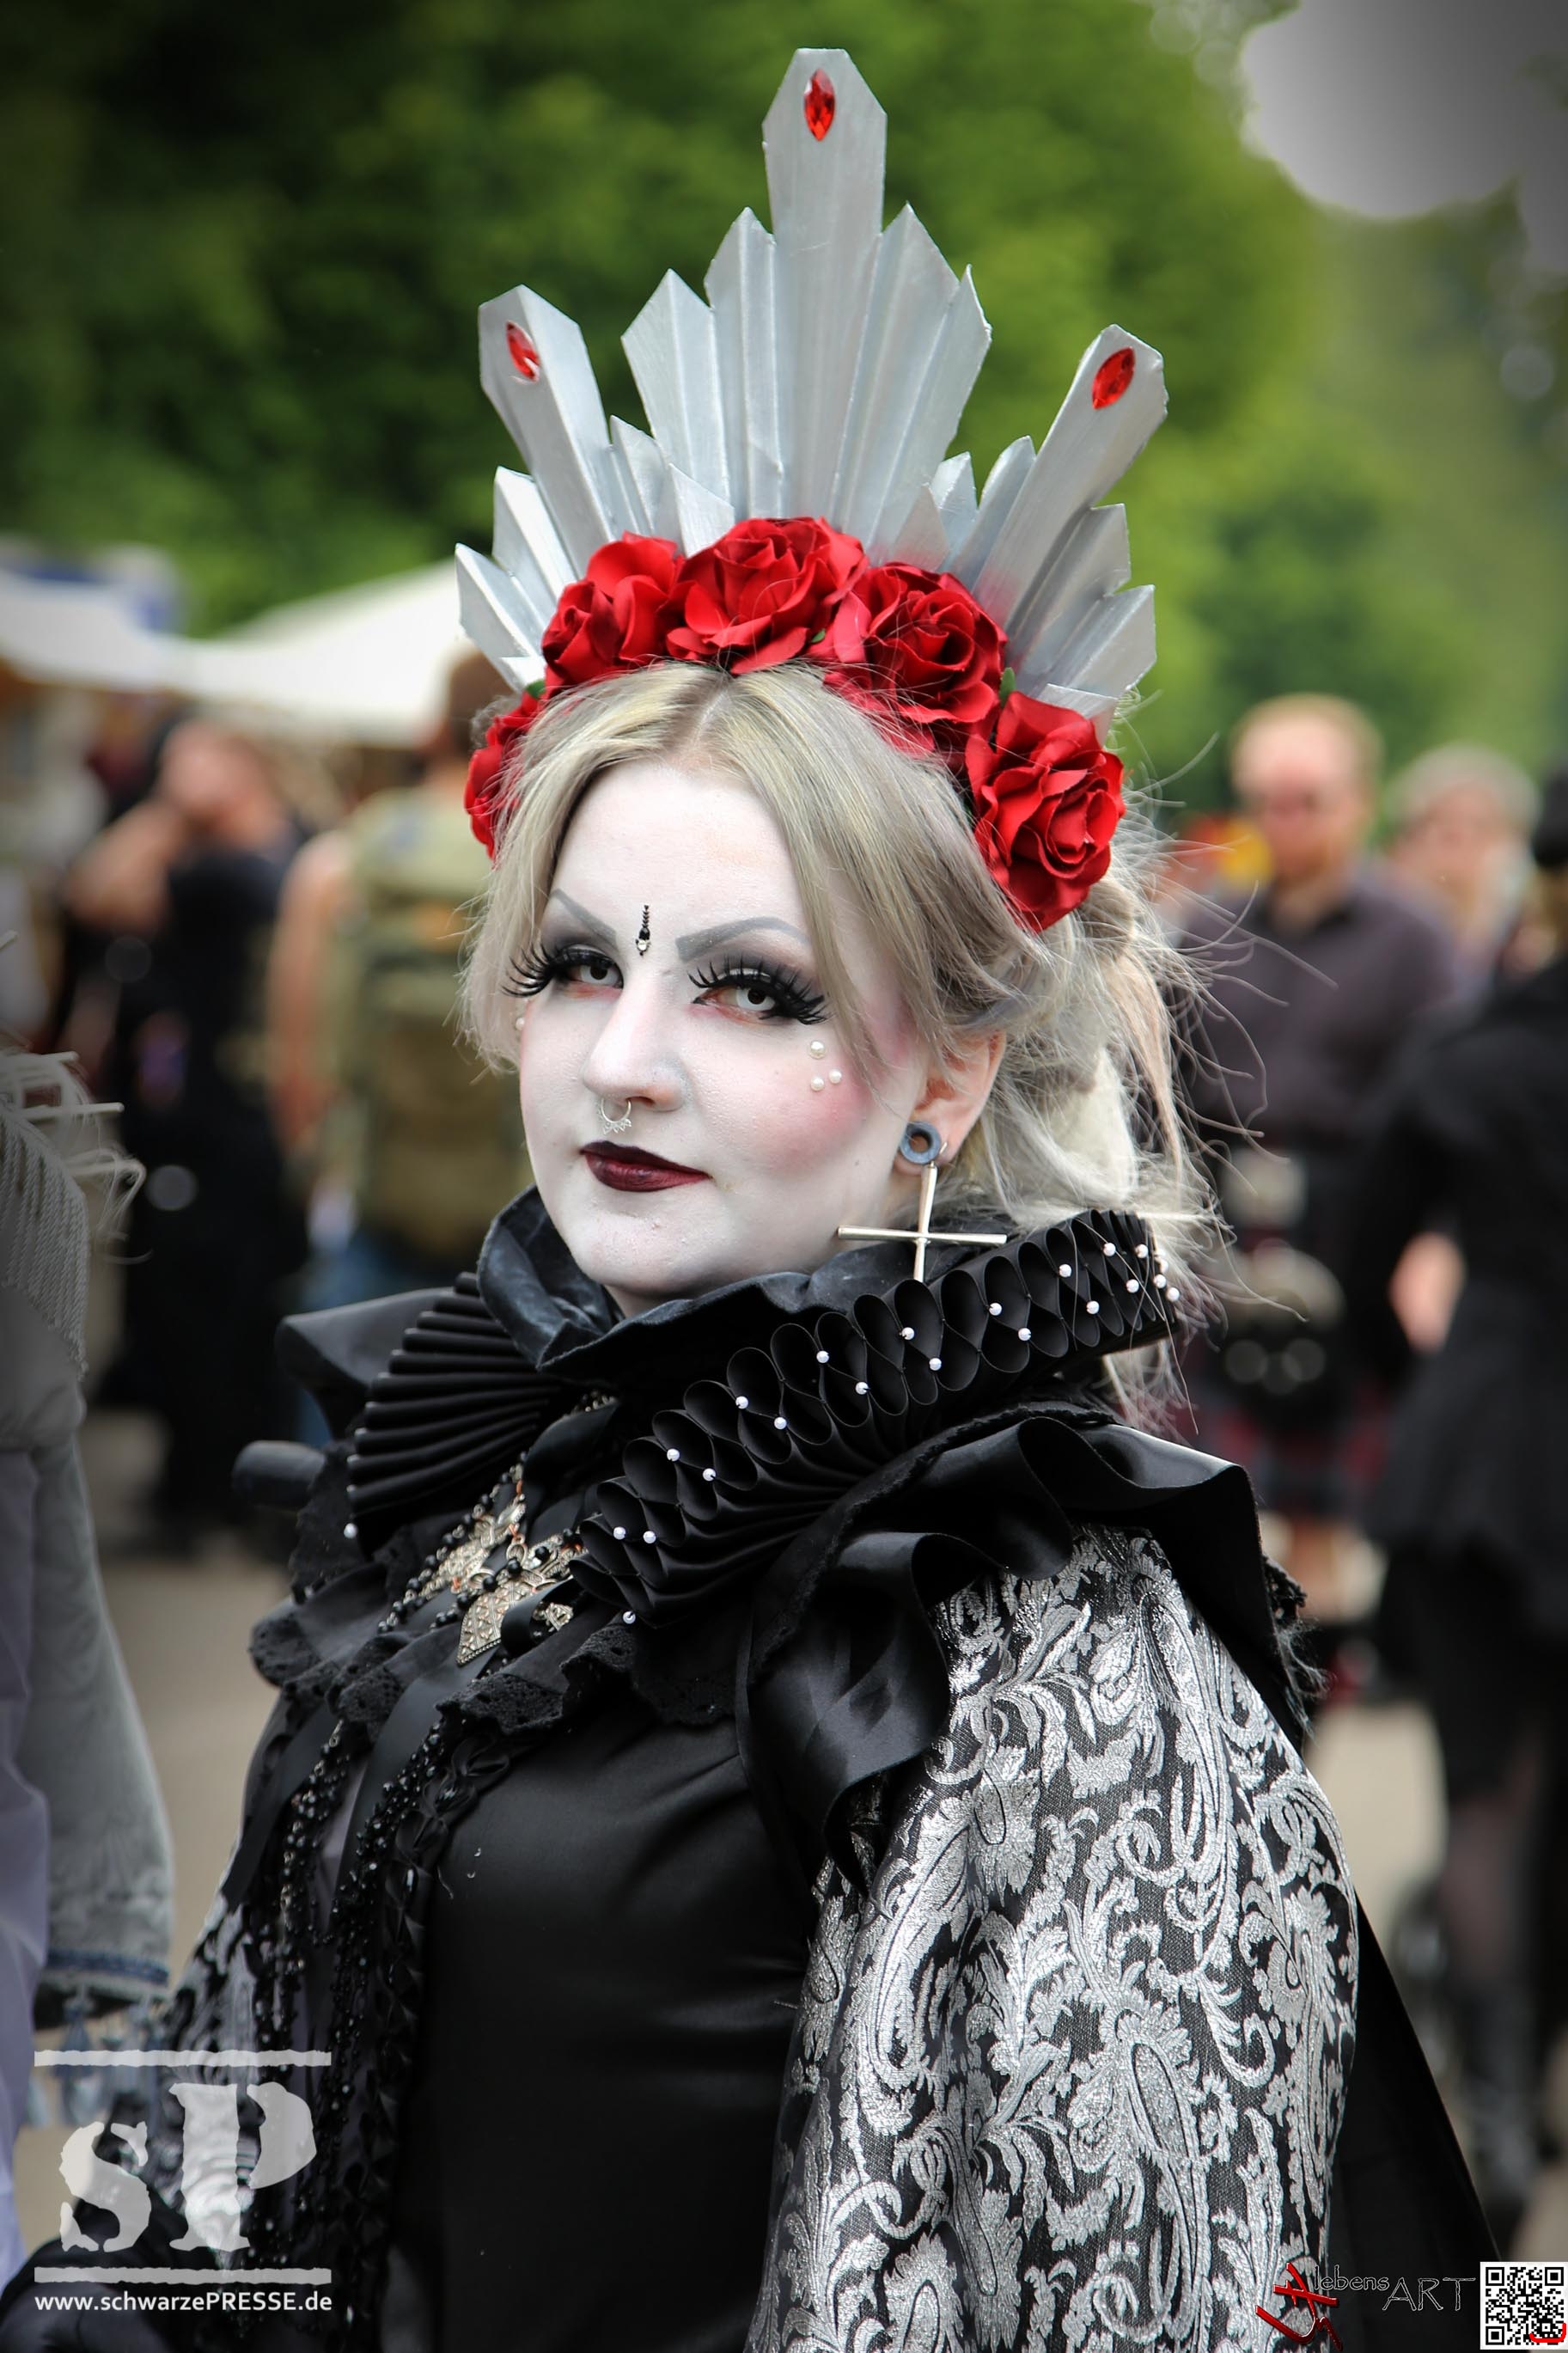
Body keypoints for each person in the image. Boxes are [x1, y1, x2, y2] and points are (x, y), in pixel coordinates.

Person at [0, 50, 1488, 2351]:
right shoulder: (456, 1472)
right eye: (577, 962)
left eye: (754, 986)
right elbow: (237, 2167)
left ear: (946, 1070)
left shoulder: (1036, 1636)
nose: (624, 1057)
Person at [1339, 766, 1568, 2251]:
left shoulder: (1469, 1049)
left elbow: (1361, 1259)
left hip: (1482, 1447)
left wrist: (1421, 1386)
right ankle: (1525, 2098)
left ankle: (1496, 2127)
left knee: (1486, 1802)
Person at [1178, 694, 1462, 1626]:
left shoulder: (1415, 940)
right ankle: (1228, 1686)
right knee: (1199, 1482)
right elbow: (1154, 1090)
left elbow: (1449, 1111)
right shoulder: (1204, 927)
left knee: (1322, 1513)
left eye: (1307, 800)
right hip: (1219, 1220)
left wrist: (1432, 1241)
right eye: (1266, 799)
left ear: (1359, 801)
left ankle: (1316, 1696)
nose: (1283, 820)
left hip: (1355, 1224)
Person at [62, 718, 312, 1544]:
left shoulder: (239, 866)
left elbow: (100, 890)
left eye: (190, 761)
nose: (175, 775)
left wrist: (168, 814)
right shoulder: (252, 853)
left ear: (243, 763)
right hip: (203, 1122)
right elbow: (93, 897)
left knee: (230, 1306)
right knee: (190, 1303)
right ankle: (202, 1488)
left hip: (244, 1121)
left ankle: (218, 1494)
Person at [267, 651, 530, 1319]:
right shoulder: (542, 857)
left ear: (431, 729)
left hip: (375, 1197)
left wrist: (317, 1168)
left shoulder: (343, 859)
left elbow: (295, 1056)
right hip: (514, 1220)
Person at [1384, 742, 1537, 977]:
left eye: (1479, 826)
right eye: (1439, 822)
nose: (1459, 838)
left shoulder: (1530, 952)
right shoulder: (1374, 941)